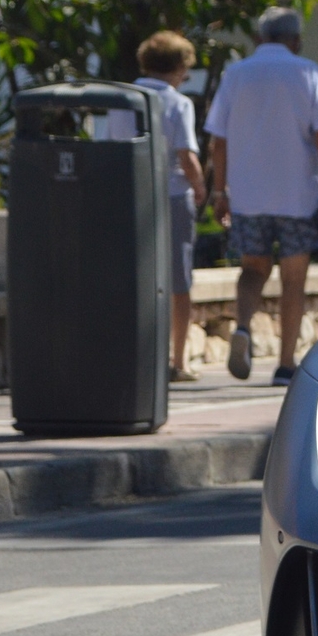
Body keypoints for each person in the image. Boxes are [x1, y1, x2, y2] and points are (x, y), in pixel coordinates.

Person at [205, 6, 318, 385]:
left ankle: (245, 326)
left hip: (249, 195)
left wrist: (221, 191)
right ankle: (285, 365)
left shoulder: (236, 75)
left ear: (258, 37)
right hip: (297, 194)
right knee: (293, 279)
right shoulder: (307, 72)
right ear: (296, 40)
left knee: (252, 269)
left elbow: (219, 139)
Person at [115, 32, 208, 381]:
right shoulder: (177, 103)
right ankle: (178, 360)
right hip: (170, 193)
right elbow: (186, 155)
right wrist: (200, 187)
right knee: (178, 279)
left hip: (129, 194)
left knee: (133, 276)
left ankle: (133, 355)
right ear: (179, 66)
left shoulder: (122, 98)